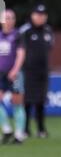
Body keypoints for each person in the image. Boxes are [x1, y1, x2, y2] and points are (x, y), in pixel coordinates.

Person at [20, 4, 54, 138]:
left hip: (43, 72)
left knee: (41, 101)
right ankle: (25, 128)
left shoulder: (48, 31)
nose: (41, 17)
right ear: (32, 15)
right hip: (27, 71)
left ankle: (41, 129)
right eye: (38, 15)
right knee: (27, 101)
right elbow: (20, 50)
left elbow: (50, 47)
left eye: (43, 15)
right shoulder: (25, 31)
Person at [0, 9, 26, 144]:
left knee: (17, 103)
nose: (9, 21)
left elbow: (21, 53)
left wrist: (15, 69)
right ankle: (6, 129)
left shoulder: (17, 35)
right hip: (1, 73)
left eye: (11, 18)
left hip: (15, 74)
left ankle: (19, 134)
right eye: (6, 18)